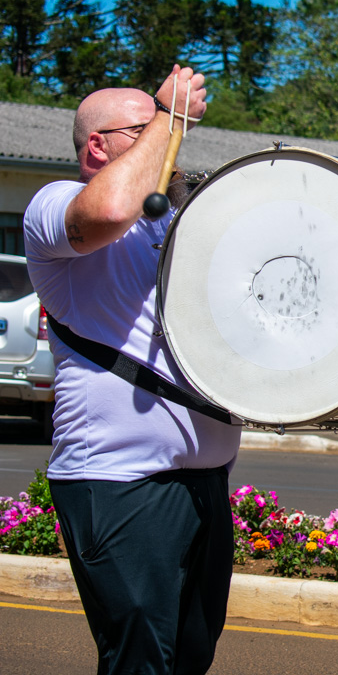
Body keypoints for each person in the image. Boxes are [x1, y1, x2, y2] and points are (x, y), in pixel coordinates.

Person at [21, 66, 242, 674]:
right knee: (141, 662)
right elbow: (111, 206)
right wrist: (170, 116)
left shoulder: (166, 220)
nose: (169, 141)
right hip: (118, 480)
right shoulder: (54, 205)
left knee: (191, 658)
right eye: (144, 130)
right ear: (98, 145)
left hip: (203, 479)